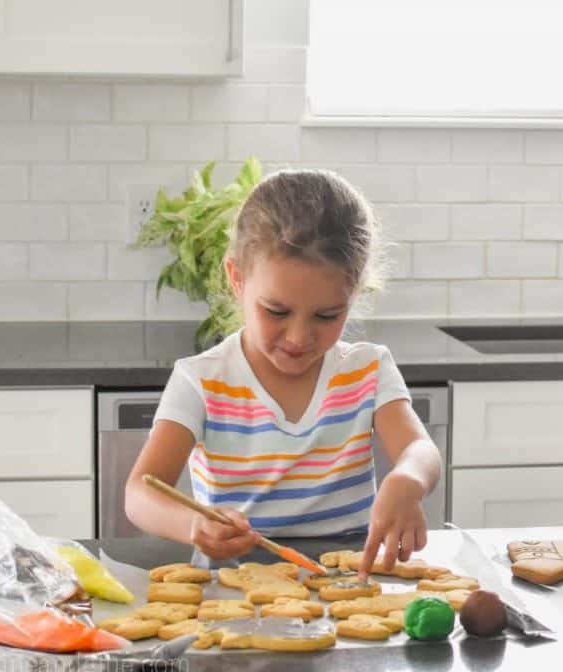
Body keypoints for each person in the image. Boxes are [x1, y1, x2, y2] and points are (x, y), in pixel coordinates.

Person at [125, 169, 440, 576]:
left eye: (327, 315)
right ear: (237, 279)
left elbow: (422, 450)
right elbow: (139, 492)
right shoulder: (201, 380)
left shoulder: (367, 370)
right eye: (277, 312)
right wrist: (193, 525)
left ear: (354, 294)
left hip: (346, 586)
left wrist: (409, 479)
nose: (298, 337)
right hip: (231, 588)